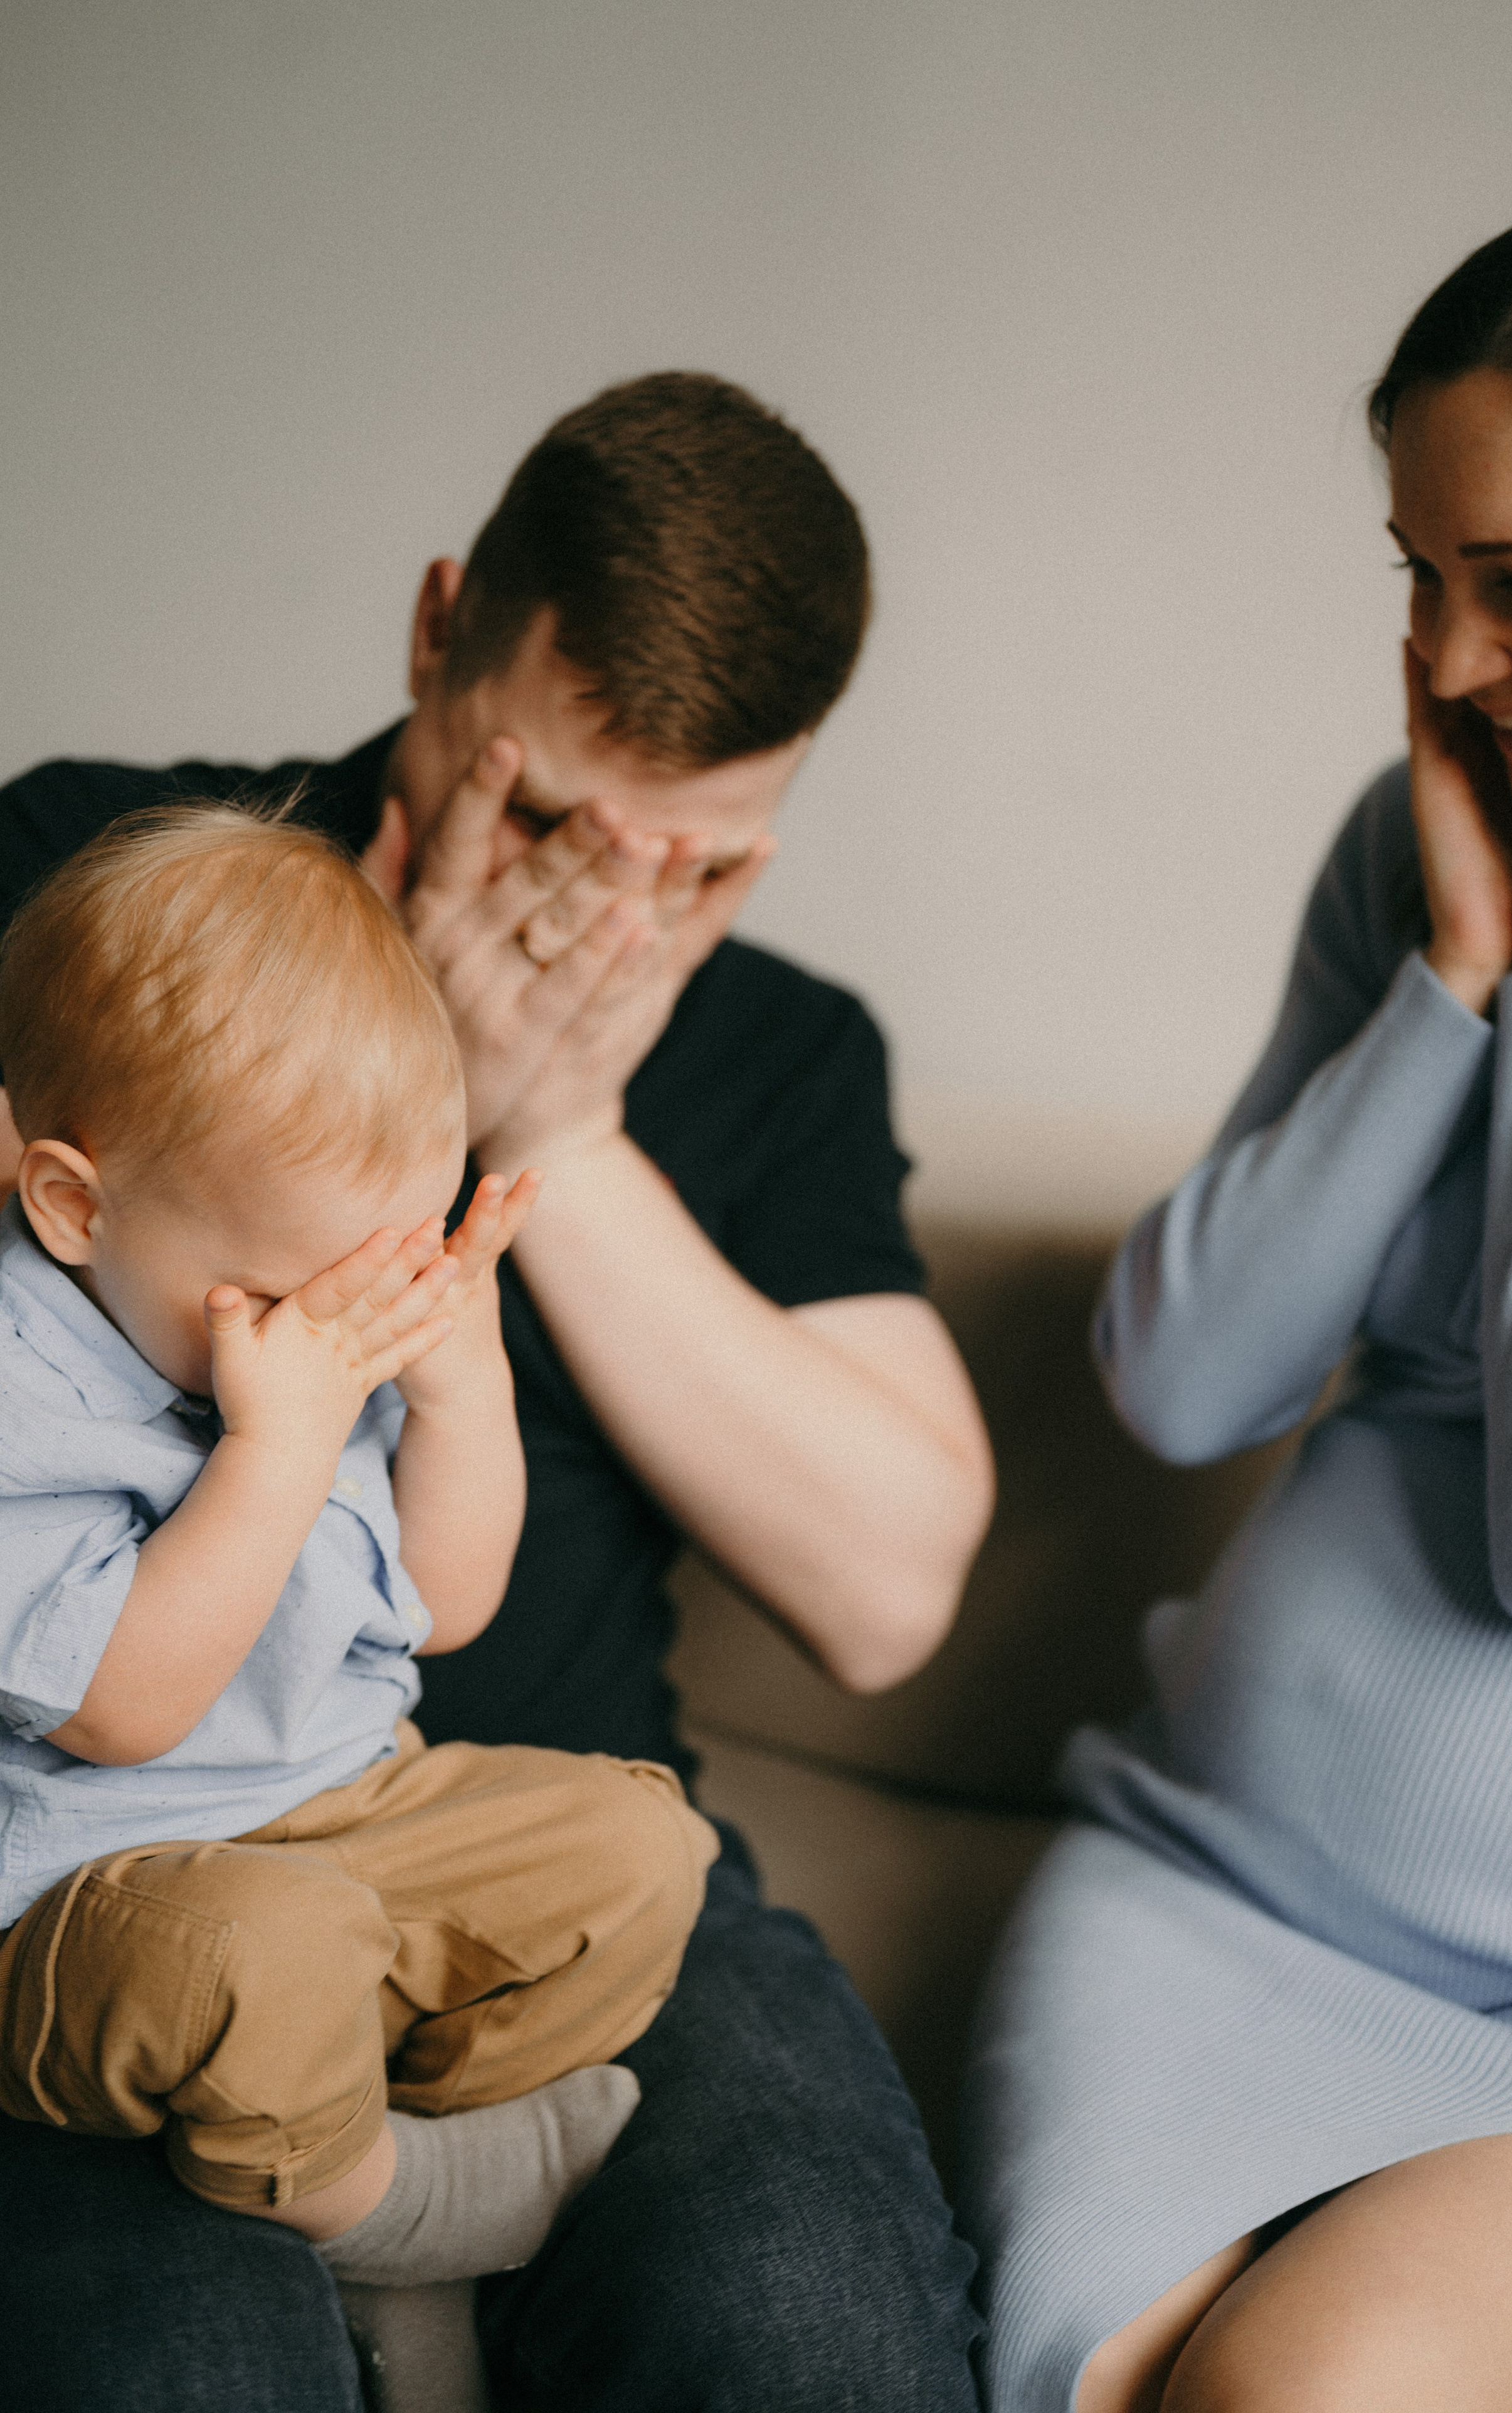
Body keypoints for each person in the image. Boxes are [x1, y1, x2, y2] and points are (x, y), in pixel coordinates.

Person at [0, 372, 995, 2410]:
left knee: (815, 2338)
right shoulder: (100, 885)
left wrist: (552, 1125)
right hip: (111, 1859)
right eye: (544, 817)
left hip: (485, 1823)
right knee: (178, 2364)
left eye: (701, 870)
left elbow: (891, 1593)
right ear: (442, 631)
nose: (604, 915)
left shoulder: (784, 1053)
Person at [965, 184, 1512, 2413]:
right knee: (1113, 2378)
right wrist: (1451, 972)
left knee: (1296, 2390)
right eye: (1419, 582)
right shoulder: (1412, 847)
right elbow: (1185, 1370)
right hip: (1214, 1897)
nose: (1443, 663)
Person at [0, 805, 716, 2306]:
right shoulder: (22, 1394)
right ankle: (378, 2213)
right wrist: (280, 1446)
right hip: (86, 1905)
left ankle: (364, 2091)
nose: (345, 1336)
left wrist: (462, 1383)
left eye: (382, 1275)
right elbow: (122, 1711)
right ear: (75, 1207)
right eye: (279, 1295)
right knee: (255, 1950)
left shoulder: (308, 1312)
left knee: (641, 1847)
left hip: (342, 1815)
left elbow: (447, 1606)